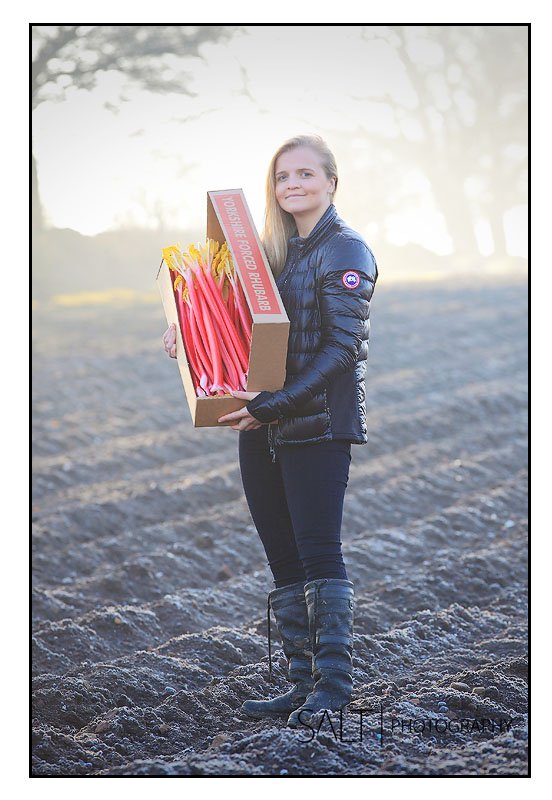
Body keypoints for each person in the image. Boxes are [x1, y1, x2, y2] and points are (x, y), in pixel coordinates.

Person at [163, 134, 377, 728]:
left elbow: (342, 350)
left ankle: (334, 684)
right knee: (282, 558)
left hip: (316, 424)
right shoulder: (272, 259)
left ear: (332, 182)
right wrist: (185, 338)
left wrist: (273, 405)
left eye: (305, 174)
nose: (293, 186)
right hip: (258, 426)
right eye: (283, 178)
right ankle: (300, 682)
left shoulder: (347, 251)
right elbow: (240, 331)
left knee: (317, 550)